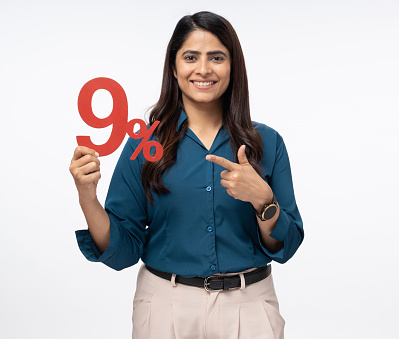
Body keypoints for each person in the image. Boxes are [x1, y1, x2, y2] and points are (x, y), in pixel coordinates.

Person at [69, 11, 304, 339]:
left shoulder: (267, 143)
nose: (204, 69)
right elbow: (123, 251)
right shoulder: (144, 144)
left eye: (217, 57)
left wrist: (263, 200)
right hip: (166, 309)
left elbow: (287, 245)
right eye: (191, 57)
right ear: (174, 67)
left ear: (233, 66)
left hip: (249, 308)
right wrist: (87, 197)